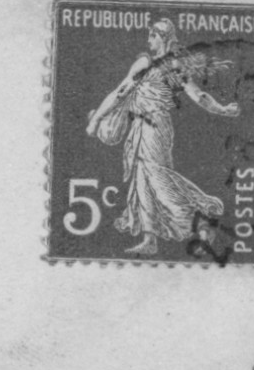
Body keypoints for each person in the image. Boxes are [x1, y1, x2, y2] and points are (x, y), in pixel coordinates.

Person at [86, 19, 240, 256]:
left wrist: (222, 109)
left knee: (156, 177)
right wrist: (97, 117)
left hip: (154, 126)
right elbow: (120, 92)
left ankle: (200, 220)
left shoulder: (162, 65)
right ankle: (150, 239)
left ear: (164, 38)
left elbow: (198, 95)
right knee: (142, 181)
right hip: (141, 125)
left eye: (153, 35)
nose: (149, 40)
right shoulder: (155, 64)